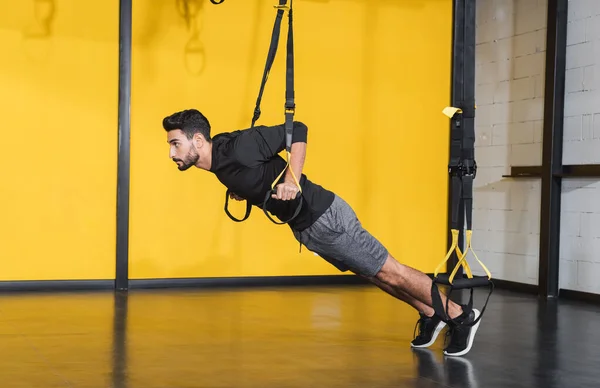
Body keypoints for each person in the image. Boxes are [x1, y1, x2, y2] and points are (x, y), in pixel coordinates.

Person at [162, 108, 482, 357]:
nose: (172, 153)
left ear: (198, 141)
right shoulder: (220, 162)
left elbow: (297, 131)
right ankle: (429, 311)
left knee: (391, 270)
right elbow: (257, 173)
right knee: (376, 275)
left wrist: (292, 180)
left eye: (176, 143)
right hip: (308, 229)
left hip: (325, 217)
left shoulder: (238, 146)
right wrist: (247, 191)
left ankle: (460, 314)